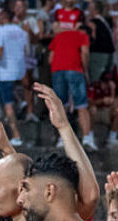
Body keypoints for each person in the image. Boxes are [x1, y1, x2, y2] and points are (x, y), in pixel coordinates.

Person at [49, 14, 95, 149]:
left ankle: (61, 139)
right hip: (75, 70)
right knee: (81, 105)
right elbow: (85, 53)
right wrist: (85, 70)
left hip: (57, 70)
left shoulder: (58, 36)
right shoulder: (82, 36)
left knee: (60, 106)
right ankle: (87, 138)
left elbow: (50, 59)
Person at [0, 6, 27, 147]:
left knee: (8, 105)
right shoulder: (21, 31)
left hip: (5, 72)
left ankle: (16, 134)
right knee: (8, 100)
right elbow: (25, 50)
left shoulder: (0, 31)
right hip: (19, 71)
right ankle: (21, 102)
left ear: (3, 17)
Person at [86, 0, 114, 83]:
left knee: (95, 79)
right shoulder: (107, 20)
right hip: (109, 52)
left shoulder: (92, 23)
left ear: (94, 10)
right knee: (106, 78)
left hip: (97, 54)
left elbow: (92, 38)